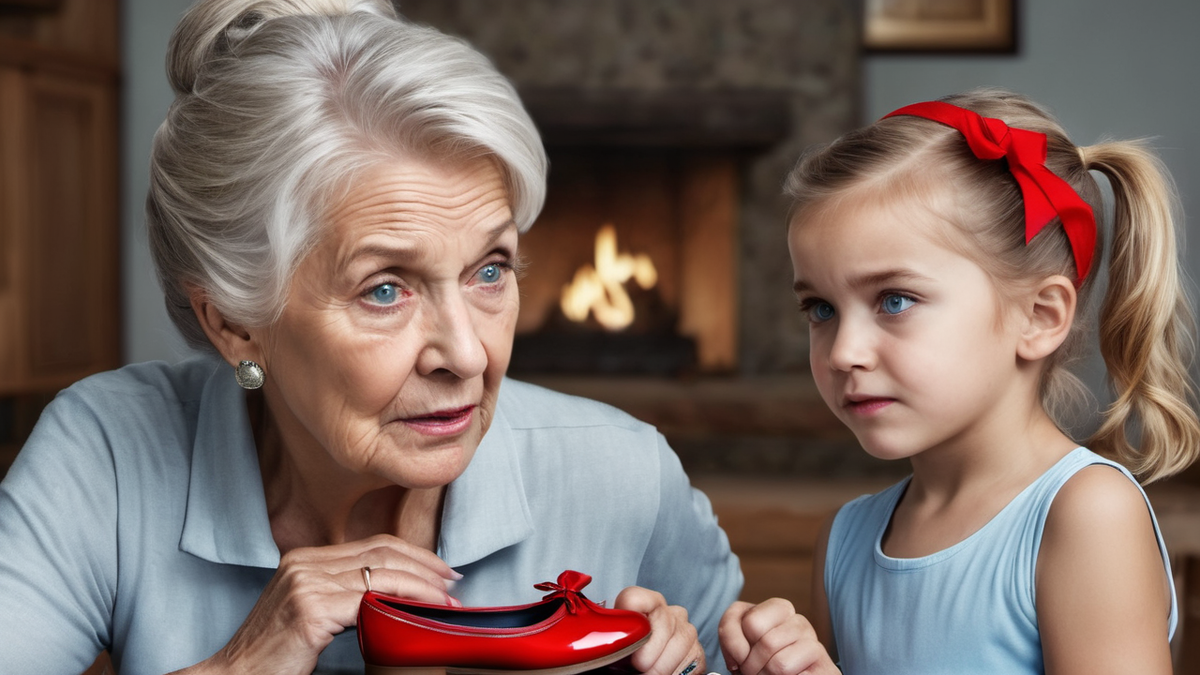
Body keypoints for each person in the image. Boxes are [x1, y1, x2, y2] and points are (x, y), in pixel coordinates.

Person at [0, 1, 742, 673]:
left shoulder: (623, 474)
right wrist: (242, 664)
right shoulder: (106, 453)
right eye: (385, 289)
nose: (469, 355)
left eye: (490, 270)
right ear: (231, 321)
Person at [718, 89, 1200, 675]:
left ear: (1039, 316)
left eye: (895, 300)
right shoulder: (845, 541)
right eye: (820, 309)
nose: (843, 351)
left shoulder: (1086, 515)